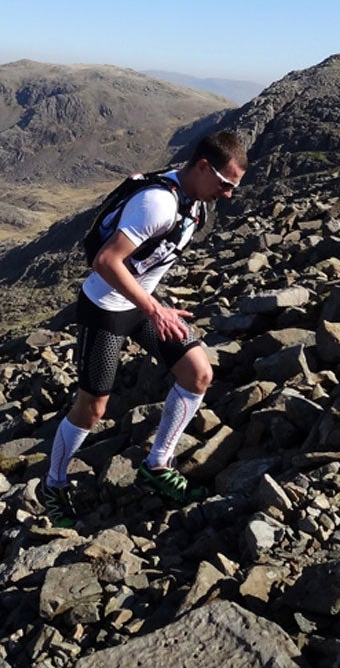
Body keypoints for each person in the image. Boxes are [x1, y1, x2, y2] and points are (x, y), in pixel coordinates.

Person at [42, 131, 248, 527]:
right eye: (225, 184)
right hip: (105, 307)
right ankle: (53, 485)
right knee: (93, 408)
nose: (228, 195)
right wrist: (155, 308)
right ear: (204, 167)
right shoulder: (157, 203)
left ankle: (158, 465)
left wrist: (152, 306)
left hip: (142, 306)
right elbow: (105, 261)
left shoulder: (194, 200)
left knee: (198, 373)